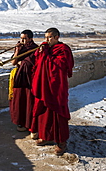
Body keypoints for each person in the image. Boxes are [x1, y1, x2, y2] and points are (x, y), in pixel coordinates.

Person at [30, 28, 74, 156]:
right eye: (46, 37)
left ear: (57, 37)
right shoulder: (45, 49)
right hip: (44, 86)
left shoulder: (64, 49)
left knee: (58, 113)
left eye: (49, 37)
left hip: (57, 87)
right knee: (44, 112)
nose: (47, 40)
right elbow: (38, 64)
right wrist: (41, 53)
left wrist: (45, 56)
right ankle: (45, 136)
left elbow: (61, 66)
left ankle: (61, 142)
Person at [9, 30, 38, 137]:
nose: (22, 40)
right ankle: (21, 122)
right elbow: (13, 62)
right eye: (21, 38)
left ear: (30, 38)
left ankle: (31, 124)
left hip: (30, 78)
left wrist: (22, 62)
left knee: (29, 101)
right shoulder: (22, 48)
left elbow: (33, 63)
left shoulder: (35, 48)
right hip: (20, 78)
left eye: (25, 38)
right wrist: (17, 50)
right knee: (19, 100)